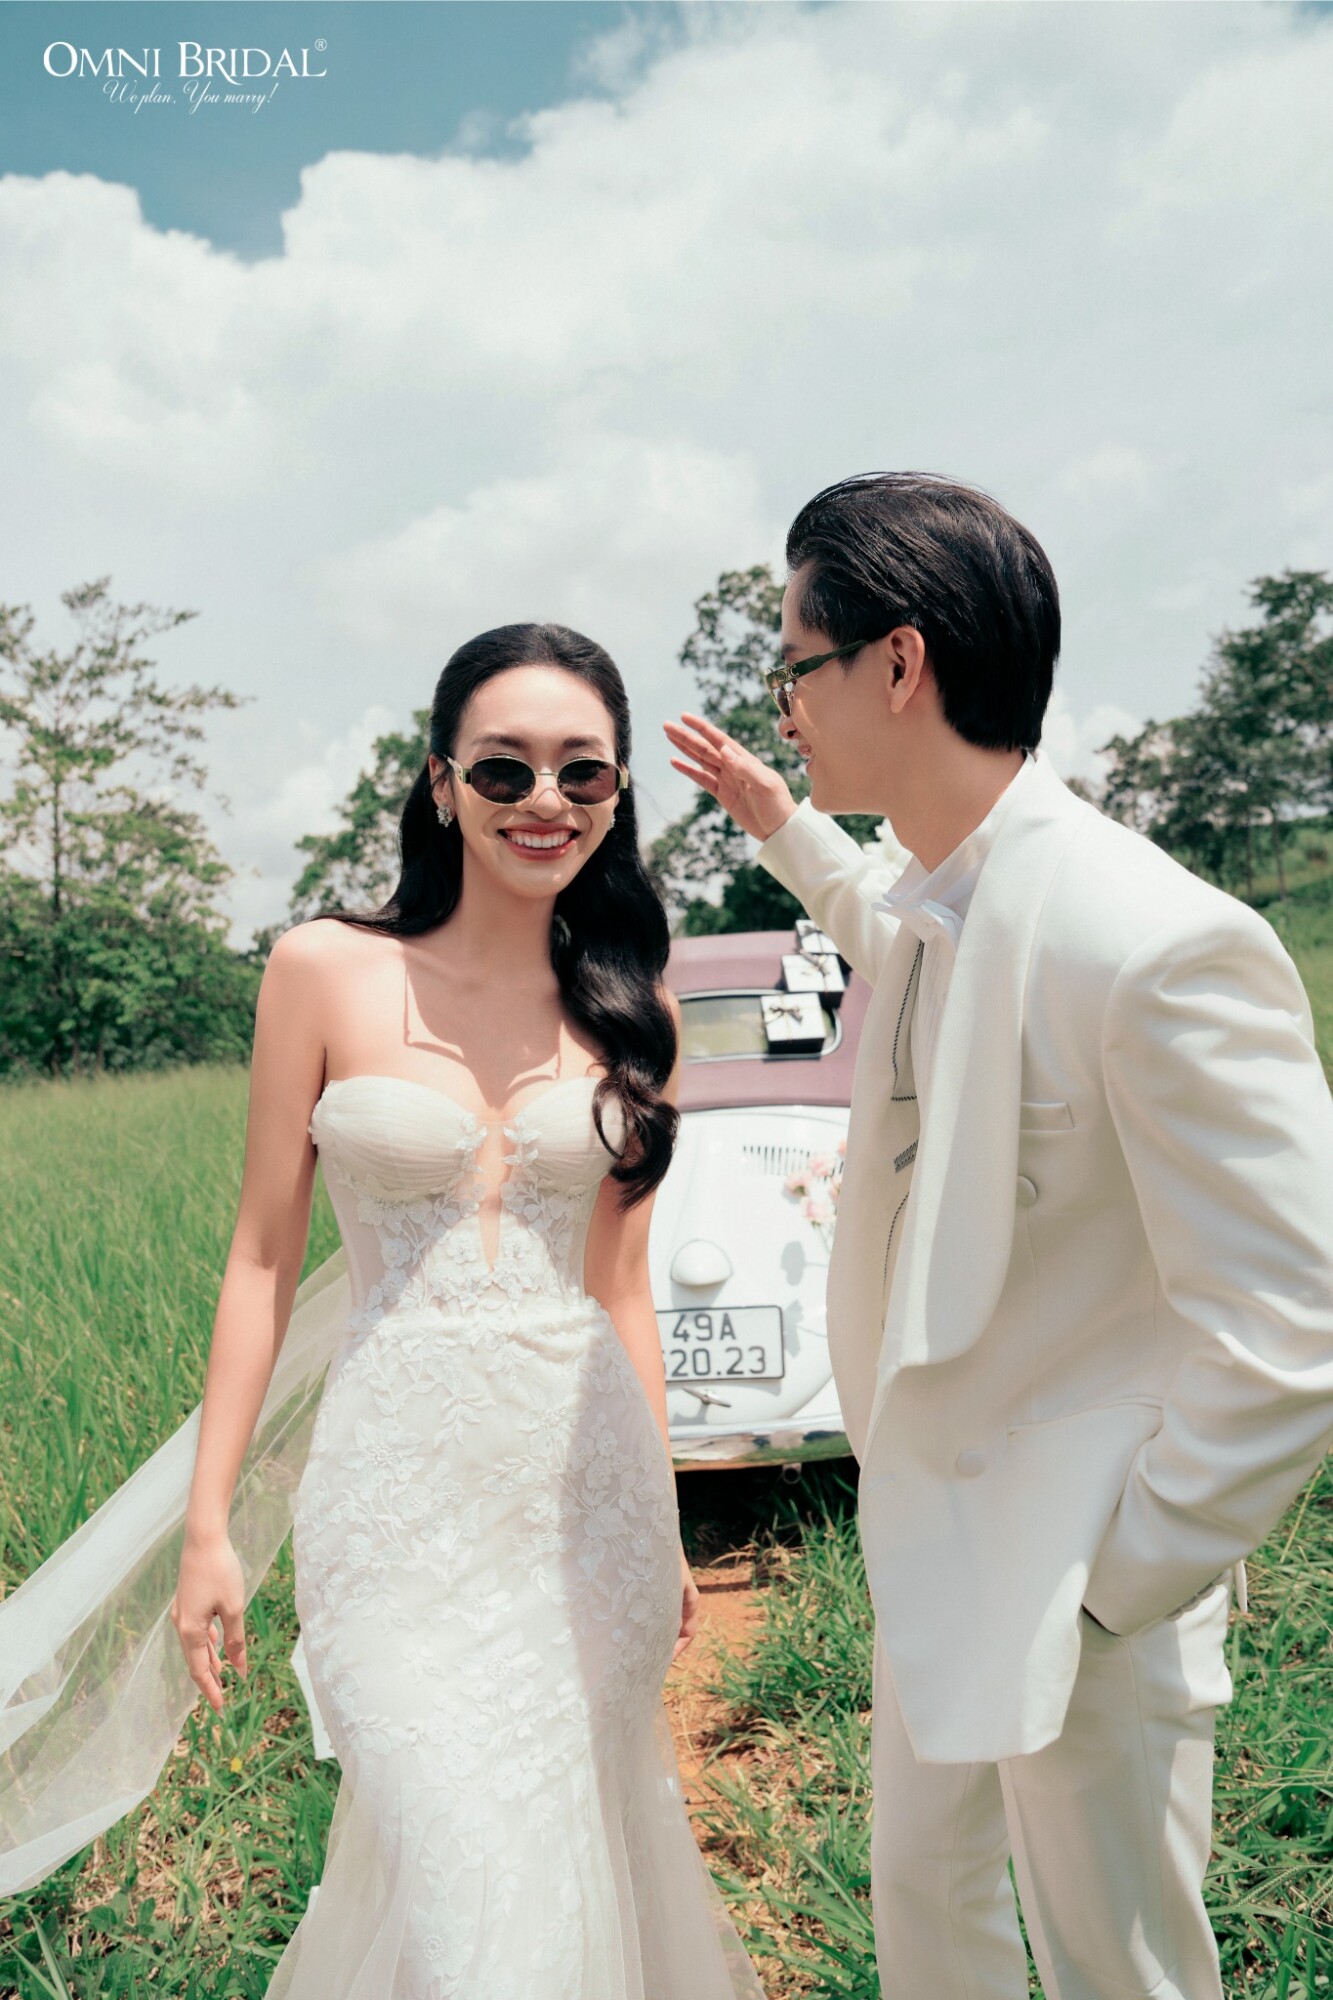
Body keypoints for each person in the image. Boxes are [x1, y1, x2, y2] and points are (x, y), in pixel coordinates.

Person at [0, 622, 766, 2000]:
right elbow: (260, 1260)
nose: (545, 800)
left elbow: (621, 1289)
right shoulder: (321, 969)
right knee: (456, 1859)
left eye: (583, 771)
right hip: (394, 1505)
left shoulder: (630, 998)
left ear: (616, 793)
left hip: (581, 1502)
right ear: (440, 783)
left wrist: (658, 1522)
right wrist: (210, 1525)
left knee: (558, 1860)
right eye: (505, 768)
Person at [665, 472, 1333, 2000]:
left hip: (1079, 1579)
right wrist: (780, 828)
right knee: (931, 1921)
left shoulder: (1150, 939)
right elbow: (895, 939)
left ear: (897, 664)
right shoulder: (939, 900)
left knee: (1116, 1968)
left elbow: (1300, 1319)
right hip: (940, 1551)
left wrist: (1116, 1582)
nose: (784, 709)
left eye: (795, 668)